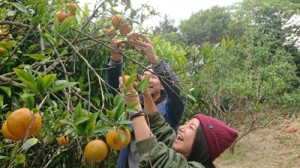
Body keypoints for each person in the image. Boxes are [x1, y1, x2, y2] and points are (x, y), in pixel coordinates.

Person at [105, 33, 187, 168]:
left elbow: (178, 94)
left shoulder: (170, 109)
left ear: (163, 86)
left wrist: (154, 60)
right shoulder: (134, 105)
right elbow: (115, 89)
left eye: (153, 76)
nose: (147, 80)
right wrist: (115, 60)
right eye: (144, 76)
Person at [120, 77, 239, 168]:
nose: (182, 127)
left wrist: (134, 107)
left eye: (191, 128)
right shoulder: (186, 155)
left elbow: (156, 159)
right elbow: (160, 127)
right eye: (186, 124)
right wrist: (145, 93)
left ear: (202, 144)